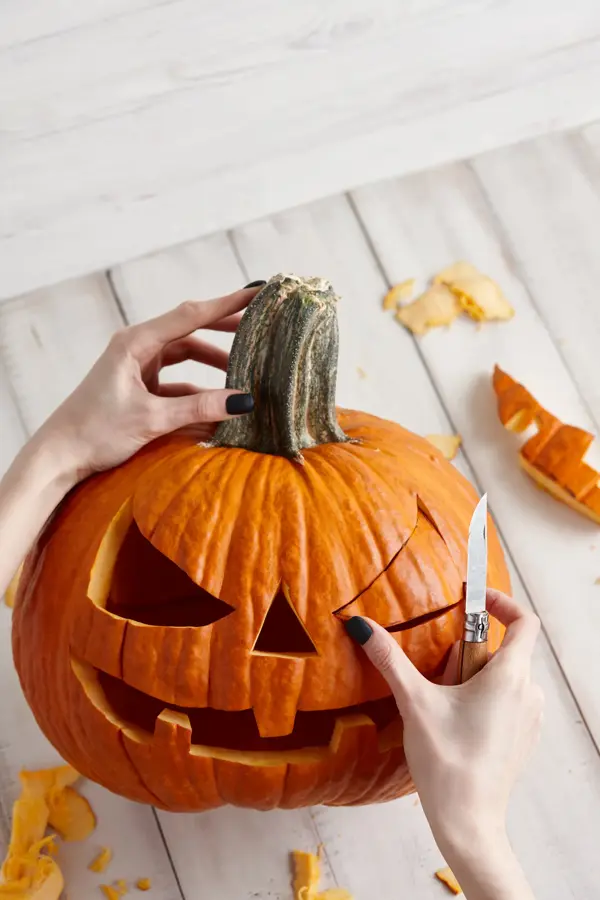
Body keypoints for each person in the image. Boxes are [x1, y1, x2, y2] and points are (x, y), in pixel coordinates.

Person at [0, 283, 543, 900]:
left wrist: (59, 451)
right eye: (195, 590)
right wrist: (477, 838)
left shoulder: (407, 479)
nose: (279, 660)